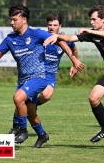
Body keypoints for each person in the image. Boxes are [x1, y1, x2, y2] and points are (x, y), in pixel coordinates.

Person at [0, 5, 84, 148]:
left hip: (40, 77)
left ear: (24, 19)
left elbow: (59, 40)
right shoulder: (10, 39)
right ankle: (42, 135)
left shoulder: (36, 33)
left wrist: (73, 59)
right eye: (11, 20)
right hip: (23, 80)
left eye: (14, 19)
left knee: (18, 98)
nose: (12, 23)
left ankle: (22, 130)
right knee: (31, 111)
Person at [44, 5, 104, 148]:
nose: (91, 22)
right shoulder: (92, 34)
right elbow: (71, 38)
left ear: (103, 19)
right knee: (93, 98)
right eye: (91, 20)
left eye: (94, 19)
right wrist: (57, 36)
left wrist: (89, 31)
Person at [9, 12, 85, 148]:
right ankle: (24, 125)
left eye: (55, 25)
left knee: (46, 95)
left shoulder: (64, 41)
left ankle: (31, 110)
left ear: (60, 26)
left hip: (50, 76)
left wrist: (74, 63)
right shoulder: (42, 38)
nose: (52, 27)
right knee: (22, 100)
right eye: (49, 25)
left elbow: (73, 49)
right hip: (38, 74)